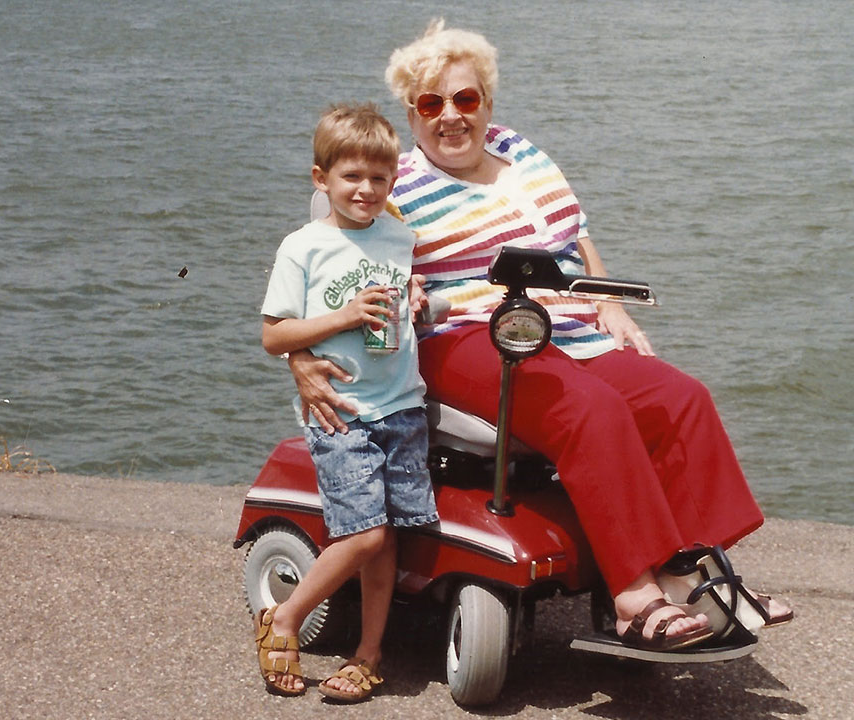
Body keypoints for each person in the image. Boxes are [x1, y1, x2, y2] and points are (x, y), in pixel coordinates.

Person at [286, 20, 792, 652]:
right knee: (589, 409)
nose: (451, 117)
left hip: (568, 325)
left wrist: (608, 303)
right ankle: (635, 601)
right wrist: (302, 359)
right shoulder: (394, 186)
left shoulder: (520, 152)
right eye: (431, 103)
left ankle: (689, 574)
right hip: (466, 333)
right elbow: (326, 270)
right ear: (411, 114)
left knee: (678, 397)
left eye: (465, 99)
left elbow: (575, 233)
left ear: (487, 103)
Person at [255, 102, 438, 700]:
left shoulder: (399, 235)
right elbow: (273, 335)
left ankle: (368, 654)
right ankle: (284, 618)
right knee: (361, 535)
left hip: (401, 404)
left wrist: (415, 300)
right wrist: (344, 315)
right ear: (321, 180)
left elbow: (407, 286)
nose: (365, 190)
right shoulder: (303, 247)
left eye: (379, 179)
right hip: (342, 409)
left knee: (385, 538)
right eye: (351, 177)